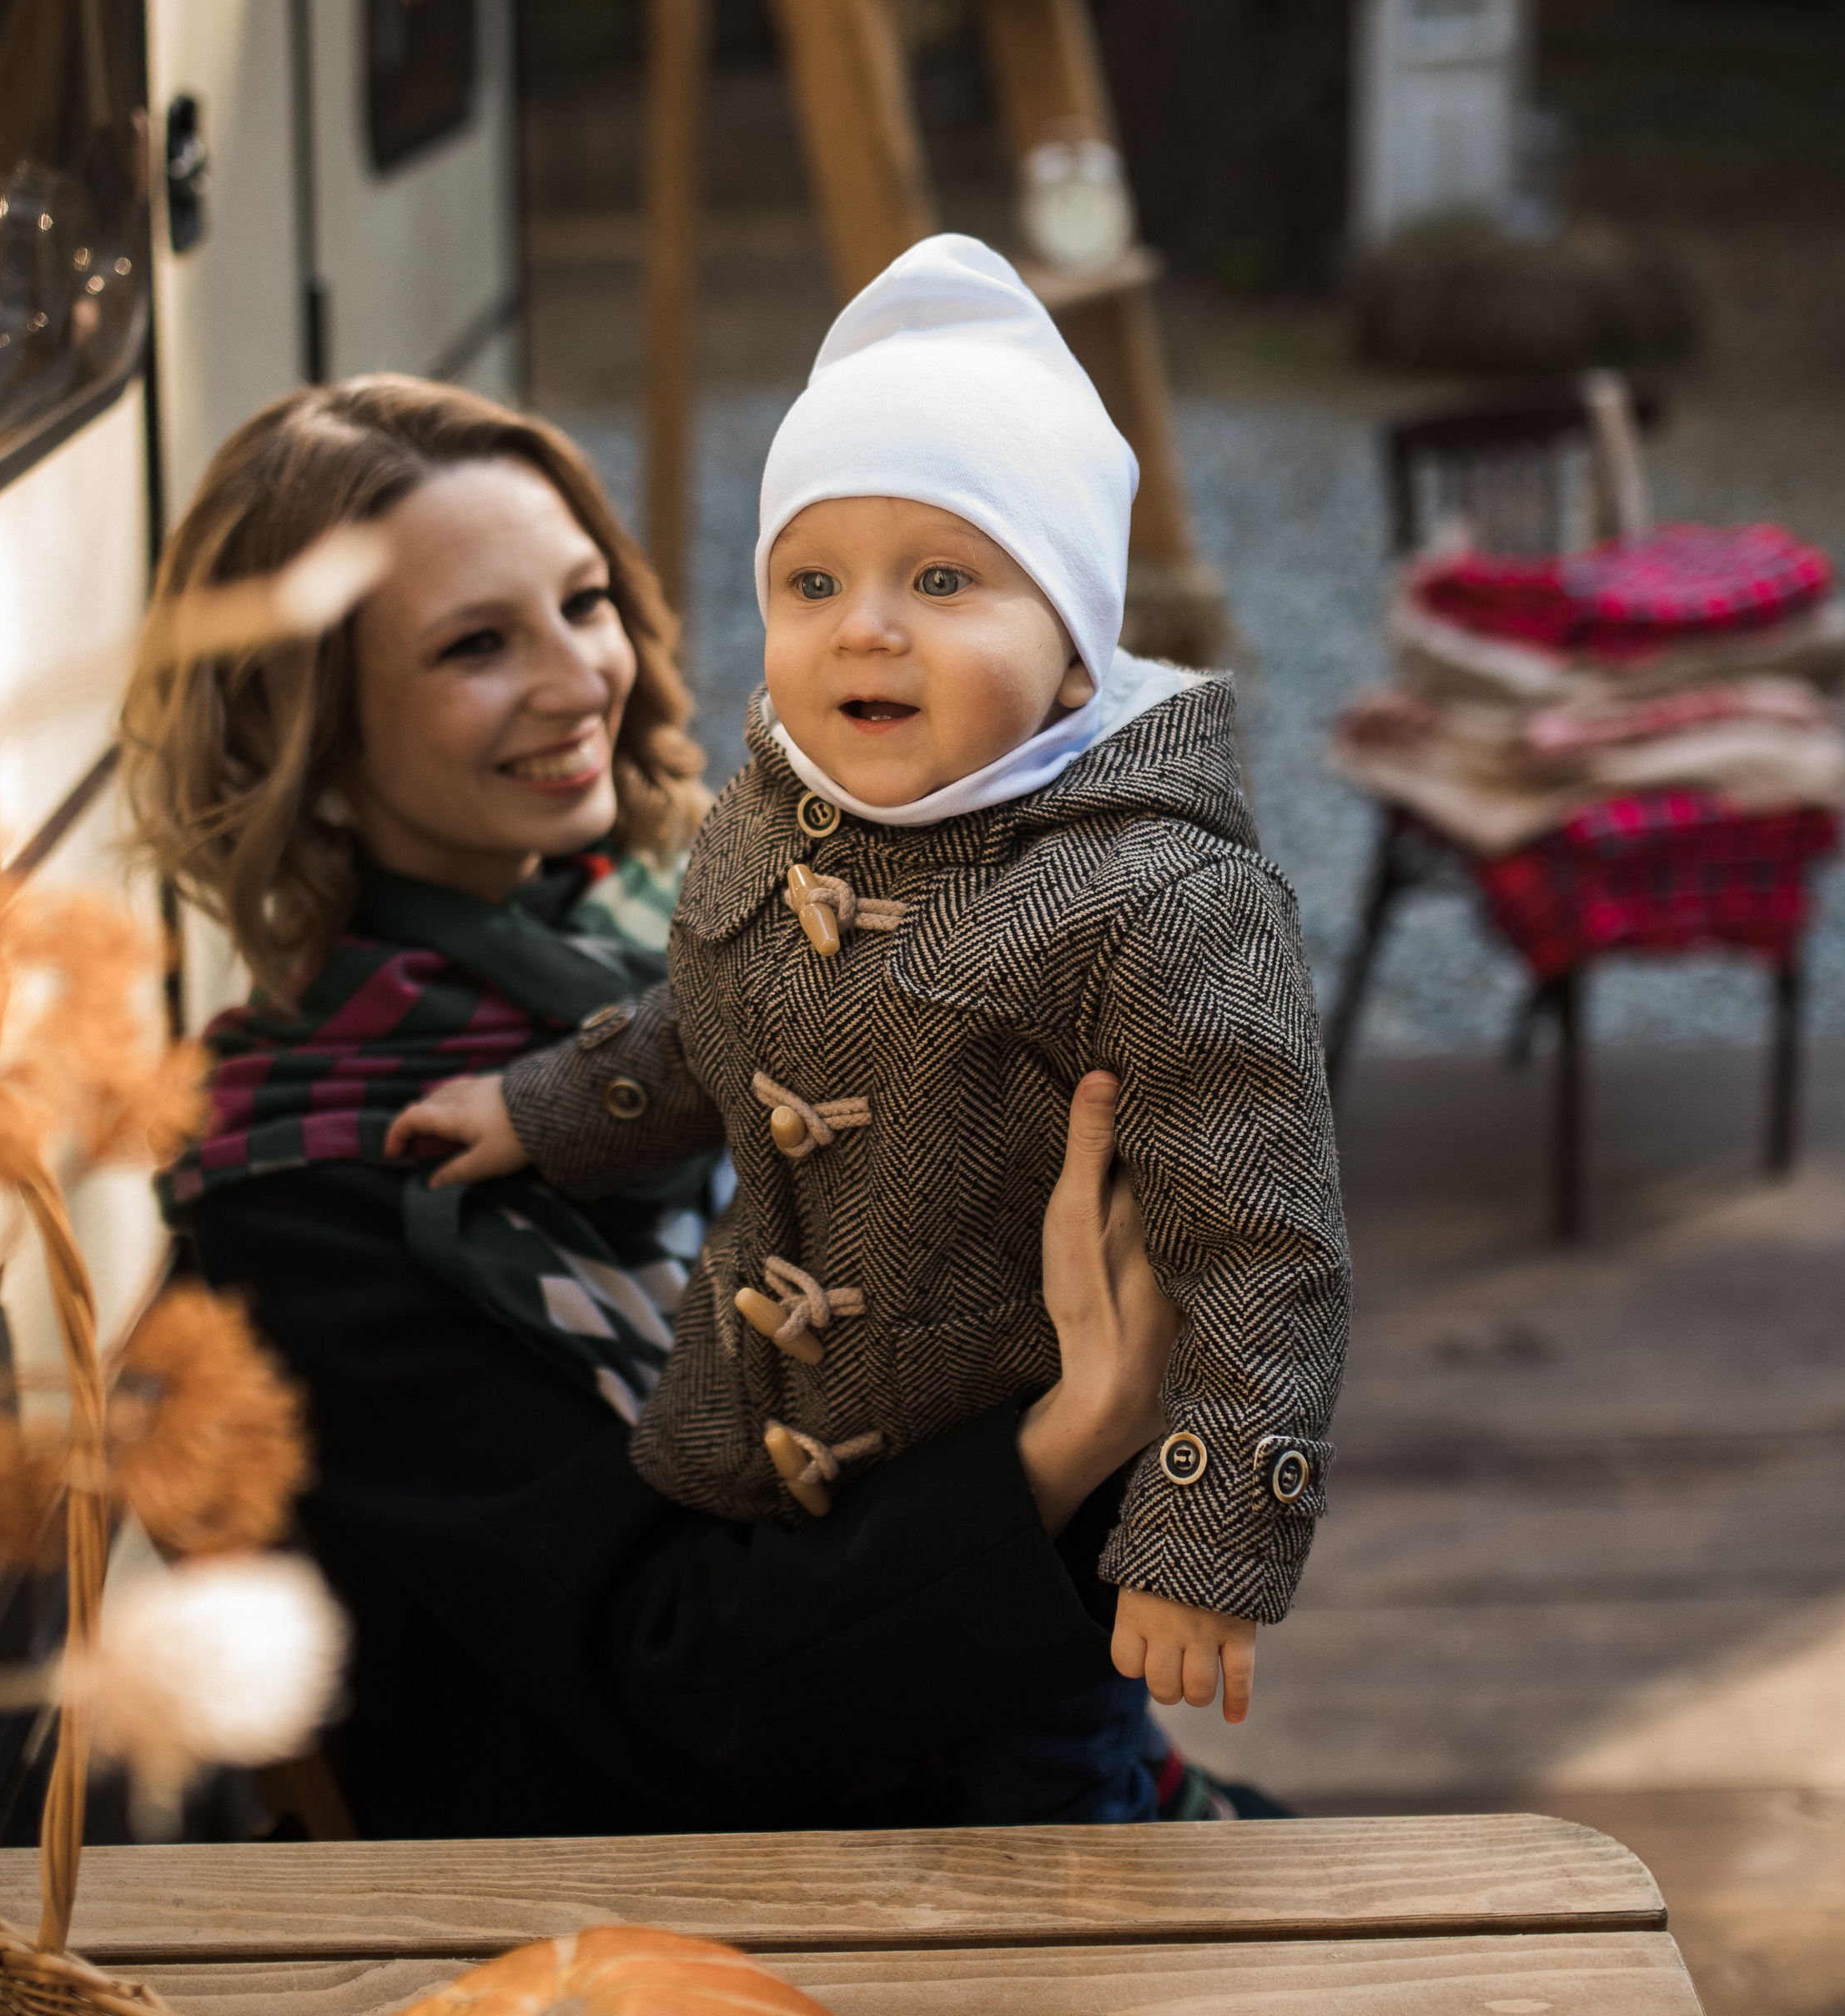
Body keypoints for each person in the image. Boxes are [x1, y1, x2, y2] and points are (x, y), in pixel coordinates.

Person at [122, 375, 1189, 1838]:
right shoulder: (308, 1203)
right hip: (731, 1882)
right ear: (312, 730)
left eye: (582, 604)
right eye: (476, 646)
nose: (577, 680)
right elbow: (682, 1682)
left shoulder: (674, 945)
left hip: (1003, 1714)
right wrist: (1071, 1436)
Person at [389, 237, 1352, 1821]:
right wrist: (547, 1108)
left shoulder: (1160, 896)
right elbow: (704, 1026)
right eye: (812, 582)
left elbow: (1266, 1246)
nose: (866, 631)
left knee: (1039, 1887)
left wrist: (1207, 1531)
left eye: (946, 579)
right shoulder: (775, 814)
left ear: (1071, 660)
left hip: (1032, 1561)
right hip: (782, 1501)